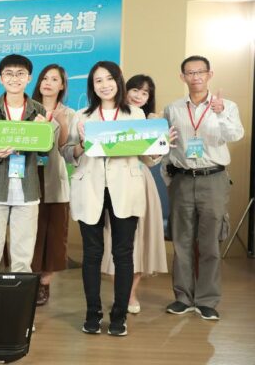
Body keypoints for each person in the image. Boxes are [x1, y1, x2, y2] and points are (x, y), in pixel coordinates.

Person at [61, 61, 164, 337]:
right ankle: (92, 313)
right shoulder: (82, 116)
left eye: (109, 79)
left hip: (125, 188)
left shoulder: (136, 114)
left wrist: (160, 146)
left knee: (123, 254)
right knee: (92, 254)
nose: (104, 85)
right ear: (92, 86)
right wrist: (81, 145)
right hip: (90, 188)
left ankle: (119, 315)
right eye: (98, 81)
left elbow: (147, 157)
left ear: (118, 81)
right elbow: (67, 152)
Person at [163, 55, 243, 321]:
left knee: (210, 243)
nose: (195, 76)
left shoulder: (227, 106)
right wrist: (170, 179)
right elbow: (167, 146)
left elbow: (235, 135)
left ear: (210, 74)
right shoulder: (173, 109)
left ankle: (207, 300)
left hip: (213, 178)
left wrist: (219, 113)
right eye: (190, 72)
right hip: (182, 179)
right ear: (182, 77)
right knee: (182, 241)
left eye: (200, 72)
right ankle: (183, 298)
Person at [0, 54, 46, 276]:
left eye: (20, 73)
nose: (15, 78)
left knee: (23, 258)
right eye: (9, 74)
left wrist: (46, 131)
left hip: (27, 190)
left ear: (29, 78)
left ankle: (19, 298)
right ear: (0, 78)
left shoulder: (39, 111)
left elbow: (45, 152)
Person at [100, 75, 168, 313]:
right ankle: (123, 292)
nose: (139, 96)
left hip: (141, 181)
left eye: (145, 93)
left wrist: (160, 145)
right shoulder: (109, 116)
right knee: (115, 240)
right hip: (112, 183)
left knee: (141, 241)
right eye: (135, 90)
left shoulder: (150, 121)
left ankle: (129, 294)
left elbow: (150, 160)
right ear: (124, 90)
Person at [30, 63, 74, 305]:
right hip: (29, 177)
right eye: (44, 78)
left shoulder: (70, 113)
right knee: (31, 231)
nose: (48, 83)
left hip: (55, 178)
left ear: (62, 85)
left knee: (55, 233)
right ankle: (30, 280)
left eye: (54, 79)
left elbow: (68, 151)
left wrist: (62, 124)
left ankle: (45, 283)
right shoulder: (28, 109)